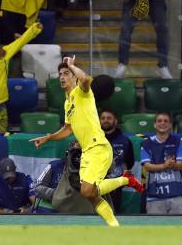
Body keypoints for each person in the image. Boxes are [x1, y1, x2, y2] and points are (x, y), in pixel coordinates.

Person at [29, 57, 144, 226]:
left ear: (73, 77)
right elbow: (67, 130)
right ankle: (115, 226)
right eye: (60, 74)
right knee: (90, 194)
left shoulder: (82, 93)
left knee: (88, 190)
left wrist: (73, 66)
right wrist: (49, 137)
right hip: (86, 152)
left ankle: (125, 180)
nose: (62, 77)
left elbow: (84, 79)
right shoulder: (68, 103)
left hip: (99, 147)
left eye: (66, 73)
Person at [140, 112, 182, 214]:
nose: (162, 123)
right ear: (154, 124)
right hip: (154, 197)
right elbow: (147, 166)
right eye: (159, 121)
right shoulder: (146, 144)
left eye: (166, 121)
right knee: (155, 230)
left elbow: (180, 165)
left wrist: (173, 165)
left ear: (170, 125)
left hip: (176, 195)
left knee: (177, 229)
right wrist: (165, 165)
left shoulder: (178, 141)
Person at [33, 140, 93, 214]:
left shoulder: (89, 172)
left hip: (72, 213)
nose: (78, 158)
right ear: (68, 154)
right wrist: (56, 194)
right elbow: (37, 187)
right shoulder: (54, 166)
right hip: (49, 210)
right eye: (75, 155)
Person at [100, 109, 134, 213]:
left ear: (115, 121)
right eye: (103, 118)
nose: (106, 120)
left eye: (109, 118)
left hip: (115, 187)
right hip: (95, 186)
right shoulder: (93, 138)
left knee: (113, 216)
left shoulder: (125, 141)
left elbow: (129, 162)